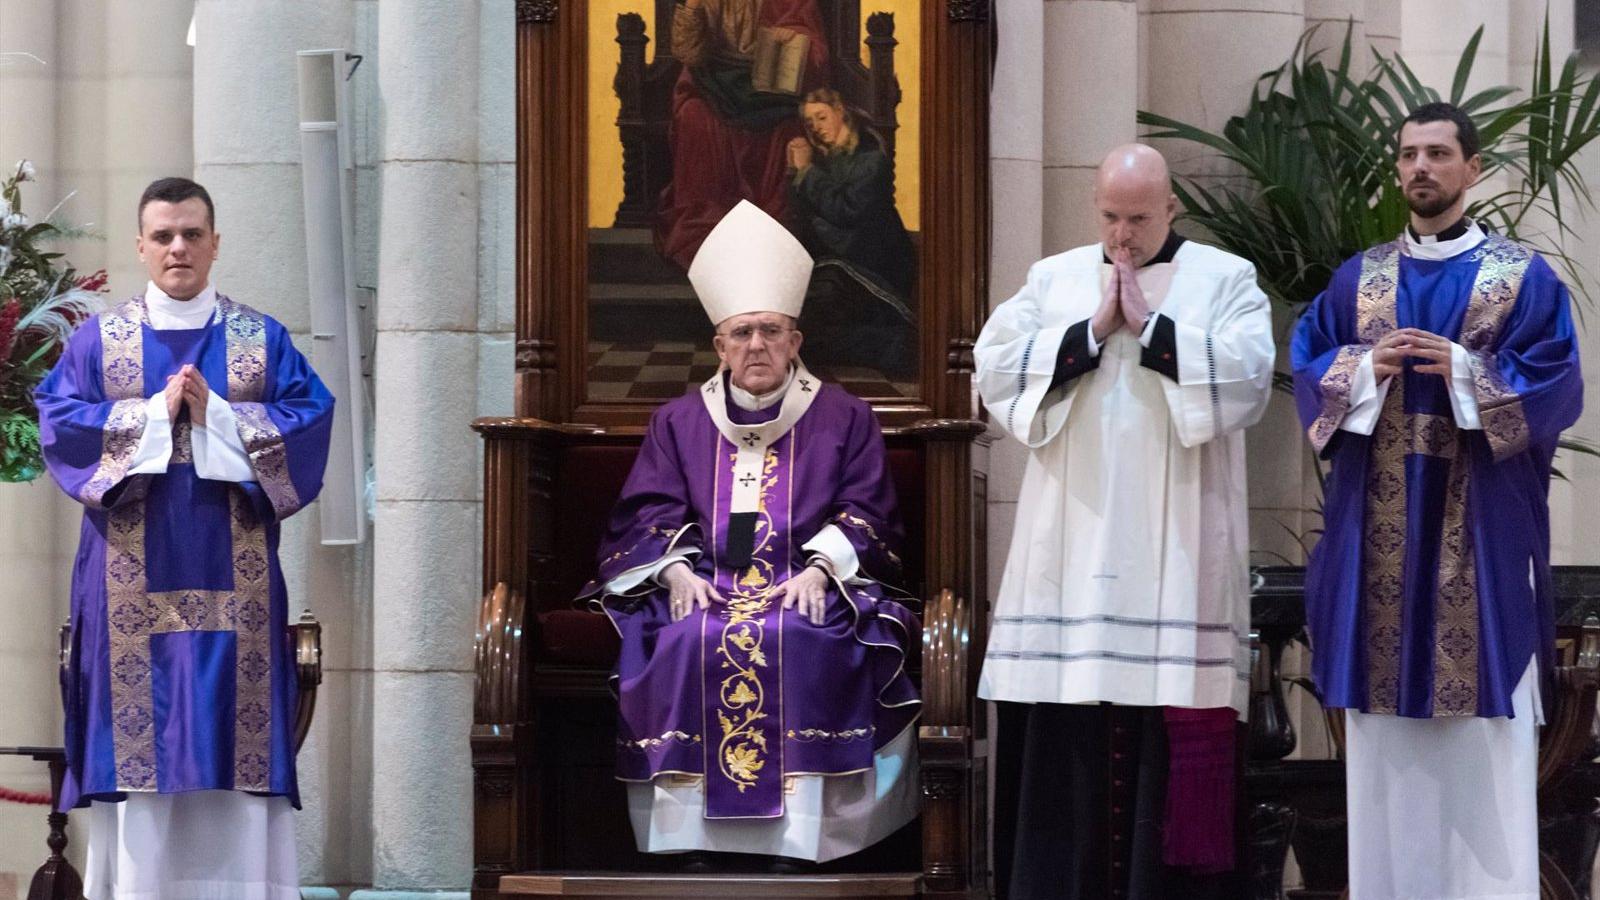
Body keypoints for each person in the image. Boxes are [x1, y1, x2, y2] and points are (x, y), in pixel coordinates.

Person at [1291, 102, 1582, 900]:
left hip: (1479, 546)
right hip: (1377, 545)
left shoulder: (1522, 277)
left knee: (1481, 751)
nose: (1422, 168)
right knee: (1387, 758)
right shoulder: (1360, 278)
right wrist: (1361, 368)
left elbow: (1555, 387)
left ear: (1472, 168)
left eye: (1439, 154)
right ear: (1398, 169)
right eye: (1410, 155)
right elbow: (1308, 369)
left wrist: (1458, 366)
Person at [579, 200, 920, 867]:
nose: (756, 345)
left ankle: (795, 841)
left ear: (796, 339)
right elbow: (645, 514)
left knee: (799, 633)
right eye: (742, 333)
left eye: (770, 330)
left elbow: (870, 511)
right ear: (720, 345)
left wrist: (823, 570)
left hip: (809, 585)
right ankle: (694, 841)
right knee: (682, 636)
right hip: (704, 586)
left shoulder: (845, 417)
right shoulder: (678, 422)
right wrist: (675, 572)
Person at [974, 143, 1275, 899]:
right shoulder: (1054, 280)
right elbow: (994, 370)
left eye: (1138, 218)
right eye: (1110, 216)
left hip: (1177, 559)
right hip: (1068, 561)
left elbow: (1247, 380)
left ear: (1171, 207)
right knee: (1064, 748)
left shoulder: (1226, 280)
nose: (1122, 236)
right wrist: (1087, 333)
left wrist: (1155, 330)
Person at [36, 177, 334, 900]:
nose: (178, 247)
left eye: (192, 234)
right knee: (141, 753)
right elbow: (60, 425)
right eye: (163, 235)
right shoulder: (98, 341)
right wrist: (153, 412)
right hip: (125, 581)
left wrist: (217, 418)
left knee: (236, 738)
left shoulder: (259, 340)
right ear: (140, 246)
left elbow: (312, 422)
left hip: (239, 579)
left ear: (215, 243)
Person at [655, 0, 829, 269]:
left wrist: (793, 37)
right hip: (710, 81)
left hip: (768, 86)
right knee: (694, 118)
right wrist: (693, 9)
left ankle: (774, 228)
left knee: (788, 128)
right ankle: (710, 226)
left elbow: (812, 41)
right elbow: (687, 52)